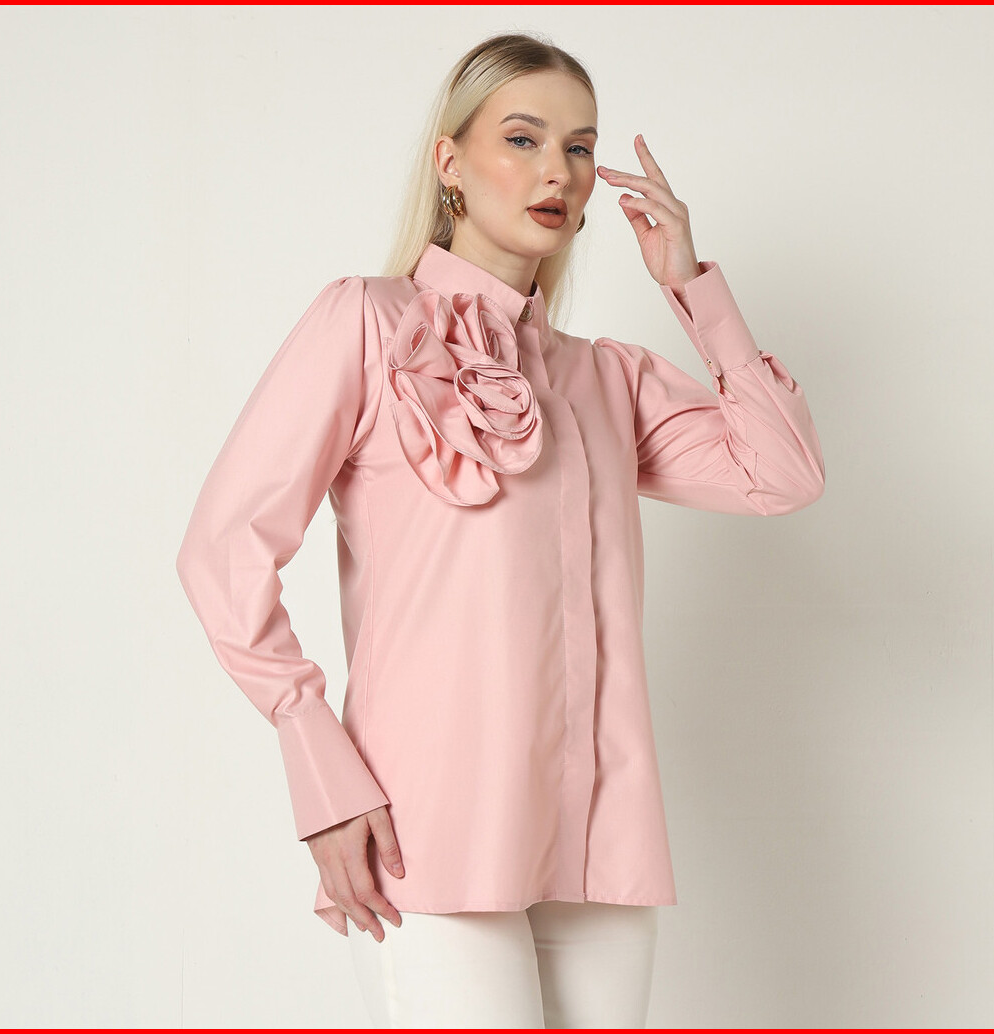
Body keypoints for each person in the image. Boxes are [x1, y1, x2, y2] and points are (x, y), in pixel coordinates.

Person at [175, 30, 825, 1029]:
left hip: (596, 847)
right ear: (450, 161)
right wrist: (318, 763)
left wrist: (691, 285)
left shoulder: (605, 377)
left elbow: (781, 475)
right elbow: (223, 548)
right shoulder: (365, 323)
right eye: (522, 139)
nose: (556, 170)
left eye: (578, 147)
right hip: (423, 832)